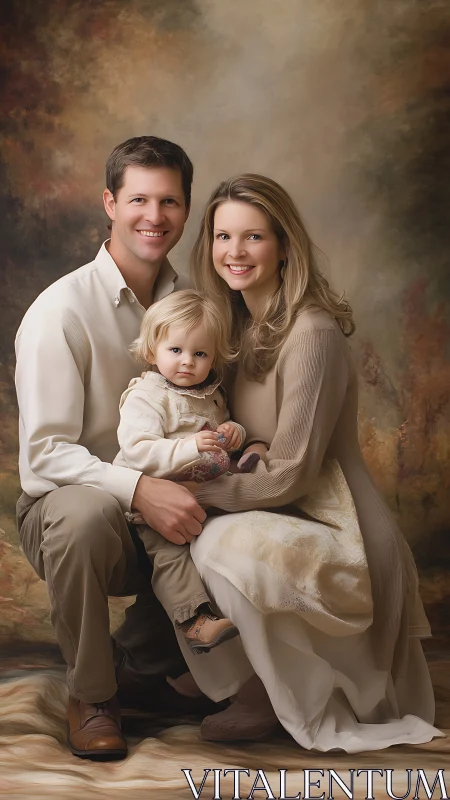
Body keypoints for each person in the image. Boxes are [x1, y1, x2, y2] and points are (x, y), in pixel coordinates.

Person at [172, 173, 443, 752]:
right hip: (282, 507)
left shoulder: (311, 333)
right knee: (170, 528)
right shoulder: (235, 330)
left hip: (339, 526)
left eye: (253, 238)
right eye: (223, 237)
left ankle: (277, 691)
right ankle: (232, 674)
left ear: (285, 245)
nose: (235, 253)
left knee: (218, 540)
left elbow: (295, 472)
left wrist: (190, 495)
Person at [14, 136, 212, 761]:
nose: (154, 217)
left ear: (186, 209)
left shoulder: (195, 307)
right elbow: (44, 456)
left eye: (170, 202)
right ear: (110, 203)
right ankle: (92, 695)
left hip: (170, 498)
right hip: (69, 512)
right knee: (86, 512)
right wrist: (137, 487)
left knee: (241, 497)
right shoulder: (60, 311)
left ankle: (150, 667)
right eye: (139, 200)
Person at [113, 289, 245, 653]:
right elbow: (137, 451)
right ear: (153, 349)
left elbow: (221, 426)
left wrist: (235, 433)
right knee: (172, 553)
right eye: (176, 351)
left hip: (202, 493)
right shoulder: (147, 396)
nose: (187, 361)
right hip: (153, 502)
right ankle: (195, 621)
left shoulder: (211, 394)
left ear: (213, 357)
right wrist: (189, 447)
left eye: (200, 353)